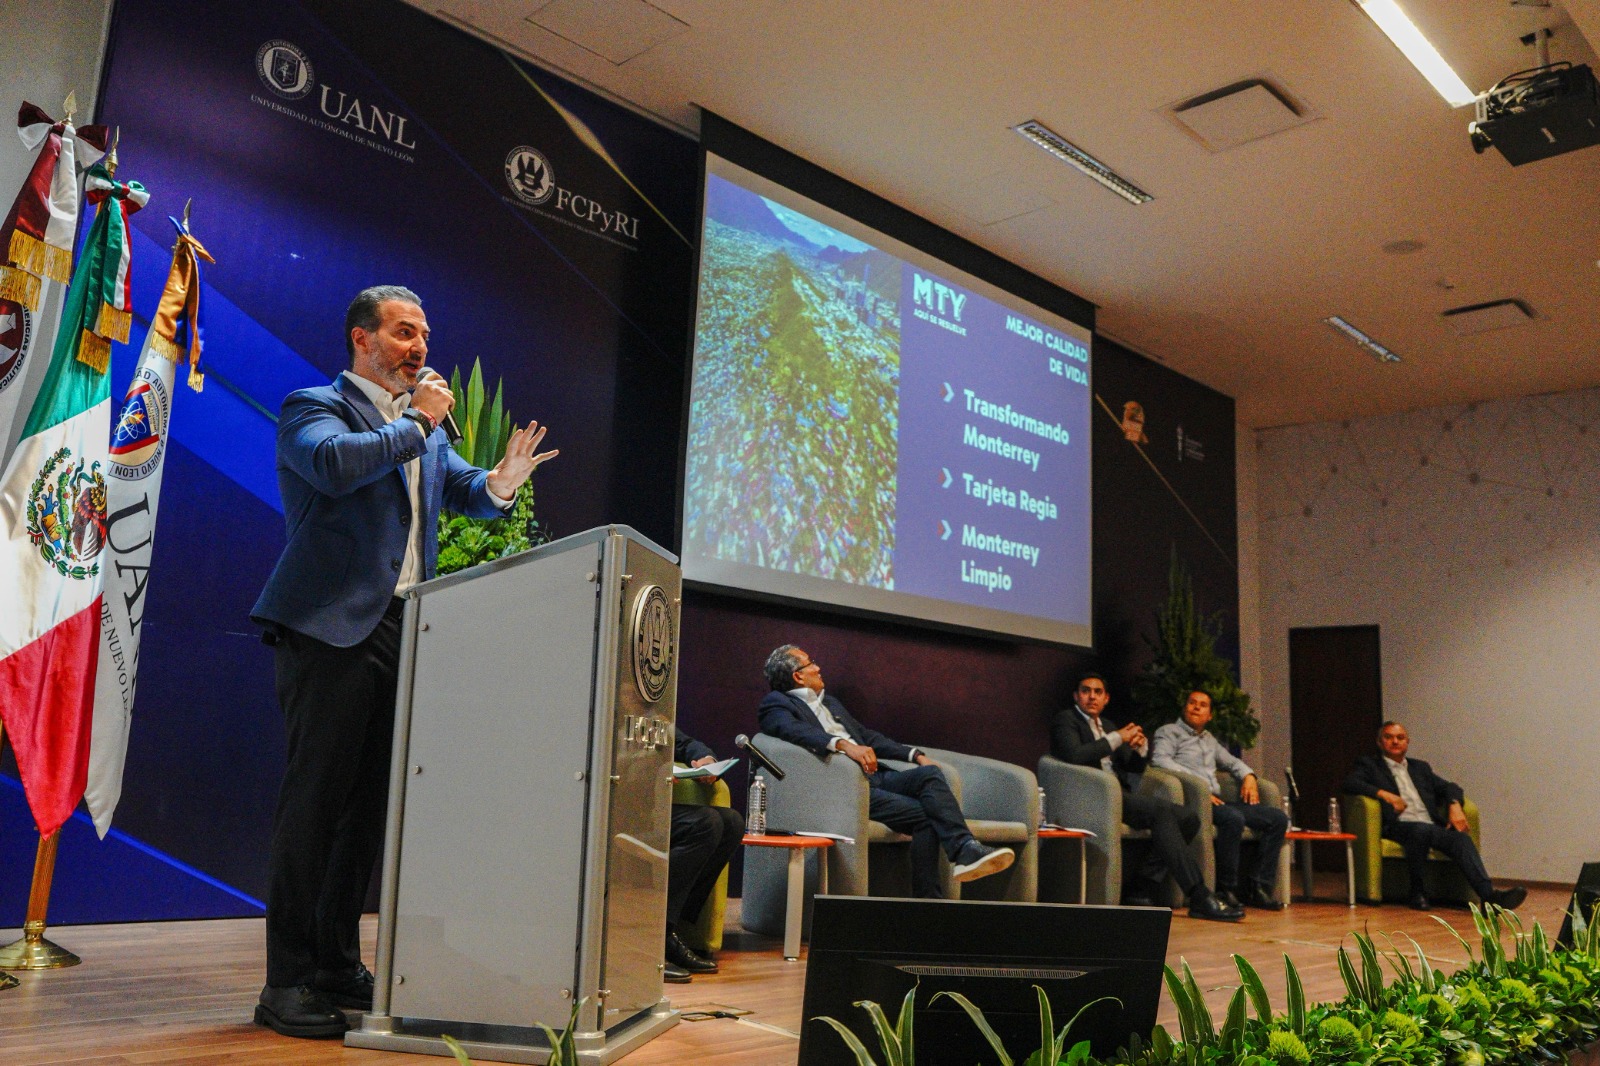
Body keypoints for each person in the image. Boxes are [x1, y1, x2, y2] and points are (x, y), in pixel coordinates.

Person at [249, 285, 558, 1038]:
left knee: (365, 814)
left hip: (402, 631)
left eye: (424, 333)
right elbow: (332, 467)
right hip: (329, 629)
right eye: (404, 332)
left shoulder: (427, 431)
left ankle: (333, 962)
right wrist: (418, 421)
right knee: (315, 807)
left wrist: (502, 481)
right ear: (363, 339)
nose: (420, 346)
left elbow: (461, 495)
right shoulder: (313, 406)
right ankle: (284, 983)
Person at [756, 645, 1014, 898]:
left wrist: (914, 755)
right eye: (811, 662)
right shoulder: (776, 703)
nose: (818, 667)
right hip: (845, 788)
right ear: (797, 675)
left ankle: (964, 850)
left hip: (875, 776)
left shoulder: (831, 704)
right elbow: (792, 730)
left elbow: (867, 737)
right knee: (927, 816)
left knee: (930, 775)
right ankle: (934, 896)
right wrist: (842, 745)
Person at [1050, 673, 1242, 921]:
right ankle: (1199, 895)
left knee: (1188, 817)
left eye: (1098, 692)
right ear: (1077, 696)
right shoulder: (1066, 720)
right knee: (1162, 812)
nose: (1092, 696)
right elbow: (1075, 755)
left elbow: (1132, 767)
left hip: (1119, 795)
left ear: (1106, 699)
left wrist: (1140, 751)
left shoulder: (1107, 725)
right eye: (1086, 691)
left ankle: (1142, 885)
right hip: (1093, 796)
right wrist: (1117, 738)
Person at [1341, 721, 1526, 912]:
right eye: (1388, 737)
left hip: (1429, 826)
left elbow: (1450, 787)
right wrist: (1384, 794)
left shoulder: (1420, 768)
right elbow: (1350, 783)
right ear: (1380, 742)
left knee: (1460, 839)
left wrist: (1454, 805)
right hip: (1397, 825)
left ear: (1407, 742)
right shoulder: (1370, 765)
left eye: (1400, 738)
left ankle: (1489, 898)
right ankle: (1417, 892)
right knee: (1420, 830)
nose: (1395, 741)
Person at [1150, 690, 1287, 911]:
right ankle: (1226, 888)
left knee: (1278, 819)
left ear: (1209, 715)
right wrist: (1200, 787)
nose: (1196, 707)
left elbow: (1233, 762)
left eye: (1202, 705)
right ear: (1184, 708)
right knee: (1233, 818)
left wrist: (1249, 776)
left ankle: (1258, 886)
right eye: (1192, 703)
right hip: (1195, 802)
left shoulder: (1209, 740)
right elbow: (1160, 761)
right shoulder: (1169, 732)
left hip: (1217, 801)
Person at [666, 729, 744, 984]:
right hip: (613, 806)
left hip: (651, 803)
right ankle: (658, 935)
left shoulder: (647, 708)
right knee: (704, 823)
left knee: (730, 823)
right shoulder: (601, 708)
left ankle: (673, 928)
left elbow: (685, 742)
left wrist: (706, 759)